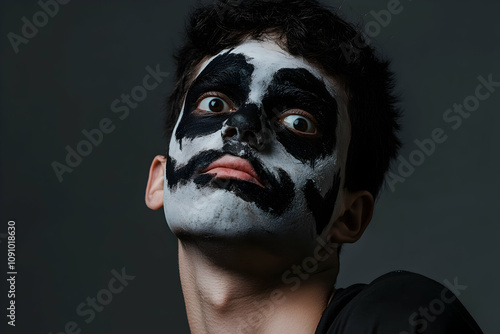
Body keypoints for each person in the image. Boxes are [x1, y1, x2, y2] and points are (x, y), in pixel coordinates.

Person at [145, 0, 483, 332]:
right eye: (214, 103)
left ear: (349, 216)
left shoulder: (402, 318)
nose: (243, 123)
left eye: (298, 122)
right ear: (159, 180)